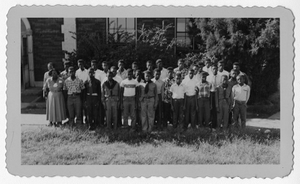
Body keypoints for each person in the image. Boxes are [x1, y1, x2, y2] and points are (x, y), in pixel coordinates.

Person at [206, 64, 221, 129]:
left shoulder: (220, 77)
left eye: (215, 69)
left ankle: (216, 124)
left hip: (217, 93)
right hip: (211, 93)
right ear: (211, 70)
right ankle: (210, 124)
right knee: (210, 108)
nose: (214, 70)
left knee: (216, 108)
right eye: (213, 69)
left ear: (217, 69)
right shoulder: (208, 77)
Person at [75, 59, 89, 124]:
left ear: (84, 64)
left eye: (81, 64)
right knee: (79, 105)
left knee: (86, 105)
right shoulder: (77, 72)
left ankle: (87, 120)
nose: (80, 65)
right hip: (79, 90)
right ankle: (80, 121)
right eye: (79, 64)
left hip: (86, 89)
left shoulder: (87, 71)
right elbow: (76, 81)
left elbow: (88, 80)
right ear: (78, 65)